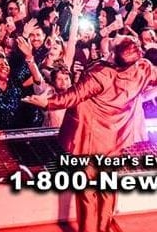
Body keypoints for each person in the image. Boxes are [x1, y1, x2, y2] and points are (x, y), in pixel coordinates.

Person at [23, 36, 157, 232]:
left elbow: (73, 96)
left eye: (116, 39)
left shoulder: (101, 74)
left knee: (87, 191)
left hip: (89, 138)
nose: (115, 36)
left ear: (113, 54)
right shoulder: (143, 69)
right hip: (115, 138)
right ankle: (104, 228)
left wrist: (47, 103)